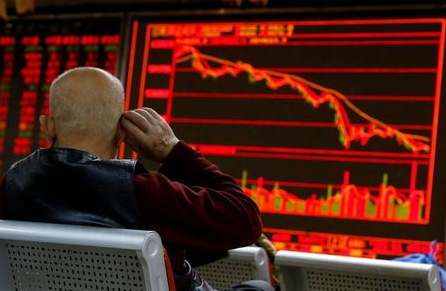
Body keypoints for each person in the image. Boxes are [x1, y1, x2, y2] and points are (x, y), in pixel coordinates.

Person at [0, 67, 274, 291]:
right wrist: (174, 151)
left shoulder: (11, 186)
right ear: (122, 133)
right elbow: (245, 219)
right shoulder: (140, 192)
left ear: (46, 126)